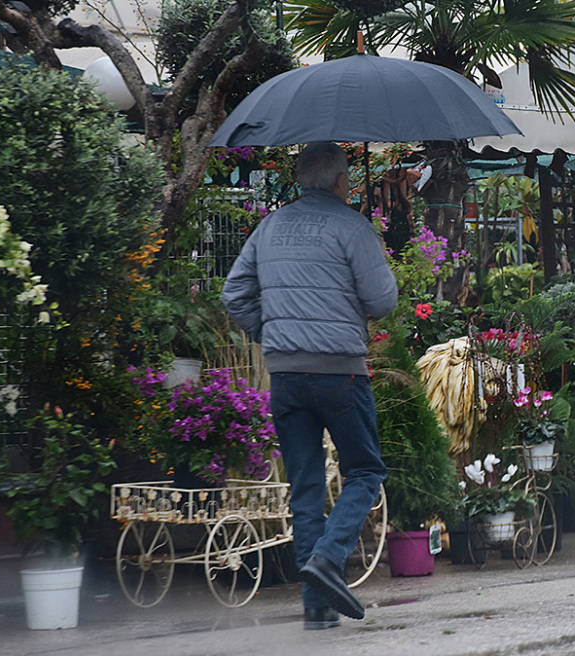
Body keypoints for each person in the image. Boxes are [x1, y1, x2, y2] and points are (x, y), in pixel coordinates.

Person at [222, 142, 398, 629]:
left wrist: (270, 333)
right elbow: (382, 300)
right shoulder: (352, 226)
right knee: (364, 471)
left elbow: (233, 293)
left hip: (286, 375)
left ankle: (317, 609)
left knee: (304, 486)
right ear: (343, 181)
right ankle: (329, 556)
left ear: (302, 179)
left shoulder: (269, 226)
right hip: (340, 371)